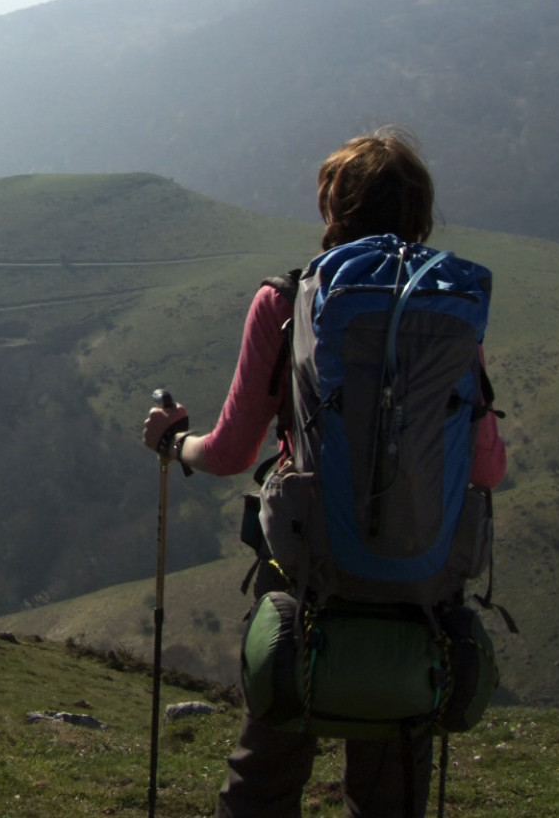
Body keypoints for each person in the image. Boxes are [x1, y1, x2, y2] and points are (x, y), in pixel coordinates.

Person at [142, 129, 507, 818]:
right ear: (418, 213)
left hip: (310, 586)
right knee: (391, 792)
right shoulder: (450, 315)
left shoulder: (286, 303)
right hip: (419, 593)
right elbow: (488, 465)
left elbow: (227, 452)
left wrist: (173, 443)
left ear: (333, 208)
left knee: (265, 781)